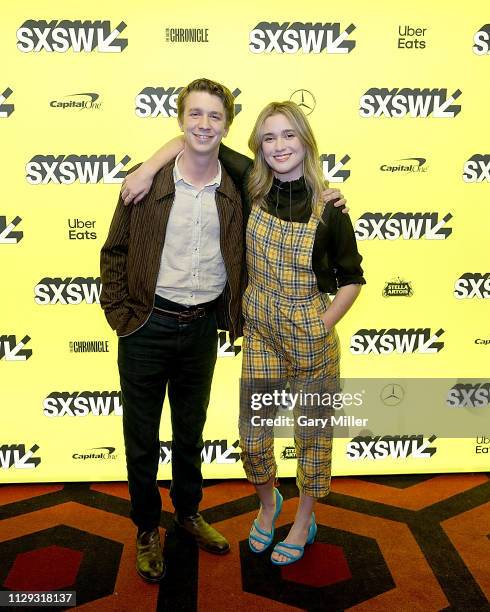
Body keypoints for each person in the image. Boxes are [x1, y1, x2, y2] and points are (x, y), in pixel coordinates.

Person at [120, 96, 358, 567]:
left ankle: (303, 519)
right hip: (261, 332)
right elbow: (191, 139)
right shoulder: (253, 184)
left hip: (310, 333)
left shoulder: (331, 208)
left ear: (306, 141)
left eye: (289, 135)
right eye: (269, 138)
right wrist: (145, 169)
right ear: (258, 147)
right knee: (254, 435)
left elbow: (351, 280)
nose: (279, 145)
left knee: (313, 436)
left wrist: (319, 325)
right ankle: (269, 507)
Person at [100, 78, 245, 582]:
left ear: (228, 125)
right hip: (145, 324)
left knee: (191, 432)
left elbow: (290, 188)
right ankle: (145, 527)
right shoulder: (146, 184)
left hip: (202, 327)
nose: (205, 124)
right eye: (196, 114)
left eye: (215, 117)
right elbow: (114, 251)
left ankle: (187, 513)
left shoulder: (238, 186)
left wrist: (327, 196)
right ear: (180, 119)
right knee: (140, 438)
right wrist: (122, 314)